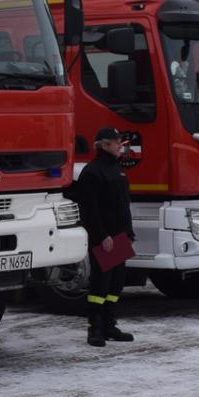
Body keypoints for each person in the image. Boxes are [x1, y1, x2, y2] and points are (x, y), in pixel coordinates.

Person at [69, 126, 136, 346]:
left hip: (119, 236)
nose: (120, 146)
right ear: (104, 145)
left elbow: (123, 205)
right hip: (104, 238)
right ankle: (94, 329)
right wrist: (102, 235)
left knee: (116, 283)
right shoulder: (93, 171)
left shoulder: (117, 169)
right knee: (100, 284)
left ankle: (109, 325)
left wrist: (128, 233)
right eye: (117, 142)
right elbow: (90, 210)